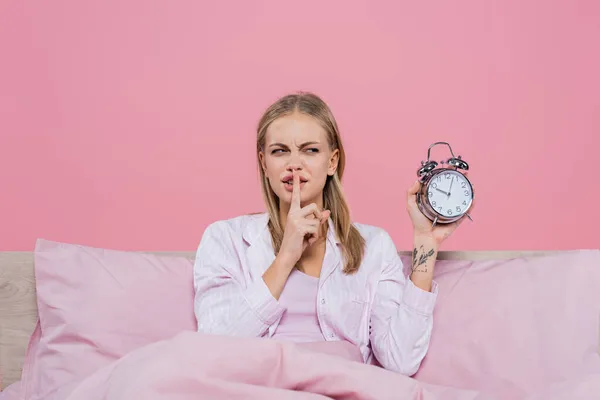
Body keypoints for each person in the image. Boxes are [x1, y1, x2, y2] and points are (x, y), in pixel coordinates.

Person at [192, 92, 473, 375]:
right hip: (256, 387)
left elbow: (401, 360)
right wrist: (285, 258)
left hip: (340, 386)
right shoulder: (224, 238)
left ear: (332, 161)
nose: (294, 164)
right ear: (264, 163)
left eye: (310, 150)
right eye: (279, 151)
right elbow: (216, 346)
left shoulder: (373, 246)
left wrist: (426, 243)